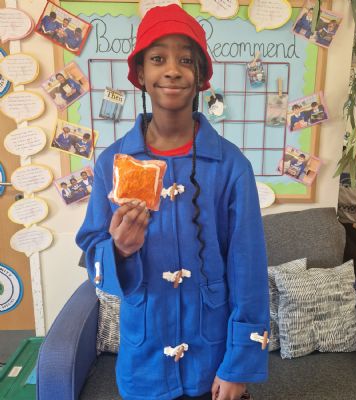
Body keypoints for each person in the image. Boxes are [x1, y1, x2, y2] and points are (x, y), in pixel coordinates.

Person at [76, 5, 269, 400]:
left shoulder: (231, 166)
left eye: (185, 60)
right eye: (157, 59)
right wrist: (119, 250)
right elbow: (92, 254)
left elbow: (248, 269)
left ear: (200, 76)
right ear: (140, 74)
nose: (172, 70)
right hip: (144, 360)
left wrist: (238, 365)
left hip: (213, 362)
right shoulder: (113, 163)